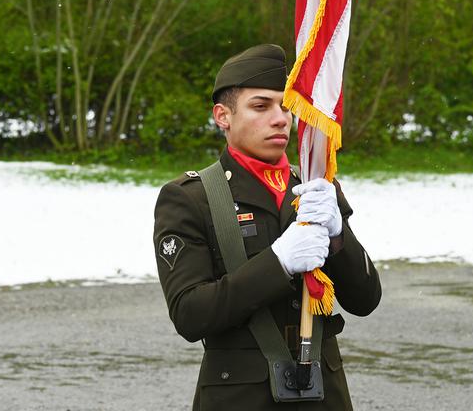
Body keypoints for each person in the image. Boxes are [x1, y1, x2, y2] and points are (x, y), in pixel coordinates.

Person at [153, 44, 381, 410]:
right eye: (261, 106)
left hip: (325, 396)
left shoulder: (313, 186)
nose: (280, 119)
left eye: (285, 107)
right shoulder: (191, 199)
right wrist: (278, 262)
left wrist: (338, 233)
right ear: (222, 116)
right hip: (240, 397)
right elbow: (190, 314)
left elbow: (366, 299)